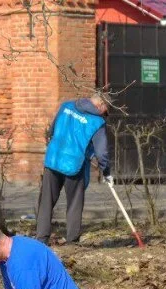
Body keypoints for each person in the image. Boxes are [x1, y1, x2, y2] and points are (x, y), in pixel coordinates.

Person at [35, 93, 112, 246]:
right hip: (74, 165)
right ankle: (72, 241)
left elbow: (52, 130)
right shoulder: (97, 122)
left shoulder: (67, 106)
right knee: (74, 204)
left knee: (46, 201)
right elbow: (102, 152)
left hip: (53, 159)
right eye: (106, 111)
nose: (105, 115)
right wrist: (107, 171)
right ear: (101, 105)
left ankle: (41, 239)